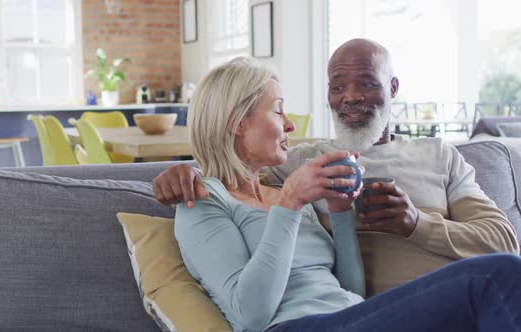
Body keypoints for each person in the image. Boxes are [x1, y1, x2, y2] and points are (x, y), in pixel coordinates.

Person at [173, 56, 521, 332]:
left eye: (367, 83)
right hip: (294, 327)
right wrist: (291, 203)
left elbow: (350, 293)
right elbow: (251, 315)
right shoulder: (203, 201)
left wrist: (340, 213)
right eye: (278, 110)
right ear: (238, 121)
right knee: (494, 276)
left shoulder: (280, 188)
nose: (290, 125)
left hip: (354, 315)